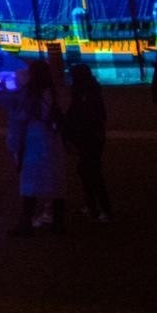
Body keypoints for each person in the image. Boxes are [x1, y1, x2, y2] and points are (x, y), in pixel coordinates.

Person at [6, 59, 67, 236]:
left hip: (33, 139)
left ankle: (26, 223)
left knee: (30, 183)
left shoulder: (29, 93)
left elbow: (19, 118)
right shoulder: (53, 92)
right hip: (52, 139)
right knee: (55, 181)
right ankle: (58, 223)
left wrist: (14, 145)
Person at [64, 63, 111, 222]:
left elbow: (81, 114)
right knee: (88, 172)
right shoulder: (88, 90)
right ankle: (95, 206)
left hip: (89, 137)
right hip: (90, 137)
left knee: (91, 172)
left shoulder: (84, 93)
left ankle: (102, 208)